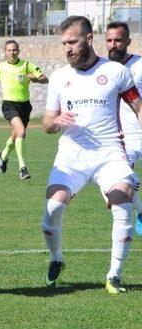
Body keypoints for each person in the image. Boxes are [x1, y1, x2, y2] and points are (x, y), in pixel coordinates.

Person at [41, 16, 141, 294]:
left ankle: (114, 275)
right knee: (53, 210)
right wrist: (56, 121)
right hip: (71, 157)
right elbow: (47, 124)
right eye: (64, 43)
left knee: (122, 204)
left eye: (72, 42)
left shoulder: (116, 72)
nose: (68, 48)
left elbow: (138, 107)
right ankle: (56, 259)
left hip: (110, 153)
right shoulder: (60, 77)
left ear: (88, 39)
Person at [0, 40, 48, 180]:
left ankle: (2, 155)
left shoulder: (26, 65)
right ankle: (22, 168)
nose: (12, 53)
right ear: (5, 52)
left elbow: (45, 78)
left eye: (14, 50)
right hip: (9, 105)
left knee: (16, 135)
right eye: (9, 50)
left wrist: (34, 78)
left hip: (25, 106)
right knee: (21, 131)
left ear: (18, 51)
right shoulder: (0, 67)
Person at [105, 21, 142, 236]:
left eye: (118, 40)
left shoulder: (139, 65)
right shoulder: (102, 68)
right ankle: (140, 211)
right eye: (109, 40)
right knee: (116, 194)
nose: (113, 44)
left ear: (128, 41)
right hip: (122, 141)